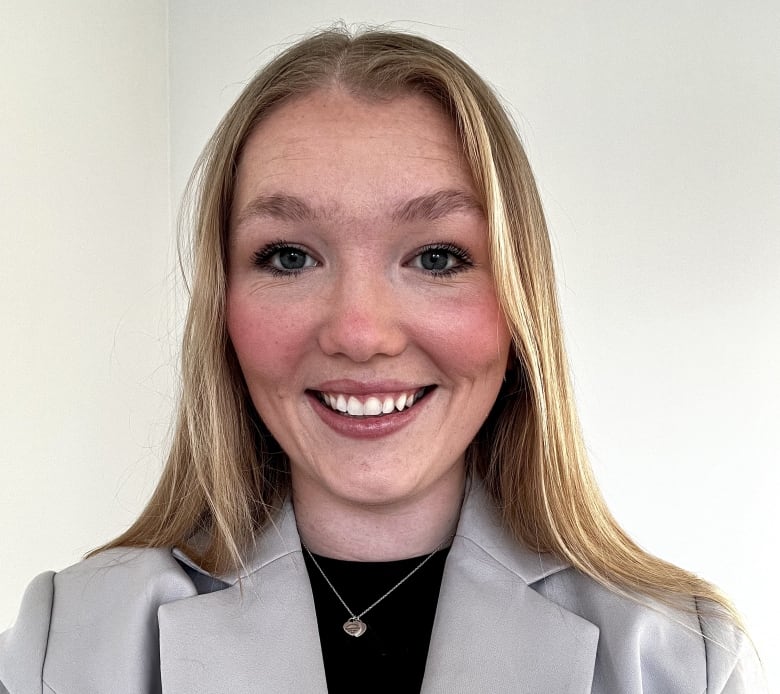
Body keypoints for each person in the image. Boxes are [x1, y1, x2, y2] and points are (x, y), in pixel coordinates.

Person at [0, 27, 765, 694]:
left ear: (518, 301)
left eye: (437, 257)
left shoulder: (681, 661)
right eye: (290, 256)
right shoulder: (64, 648)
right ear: (222, 308)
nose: (361, 333)